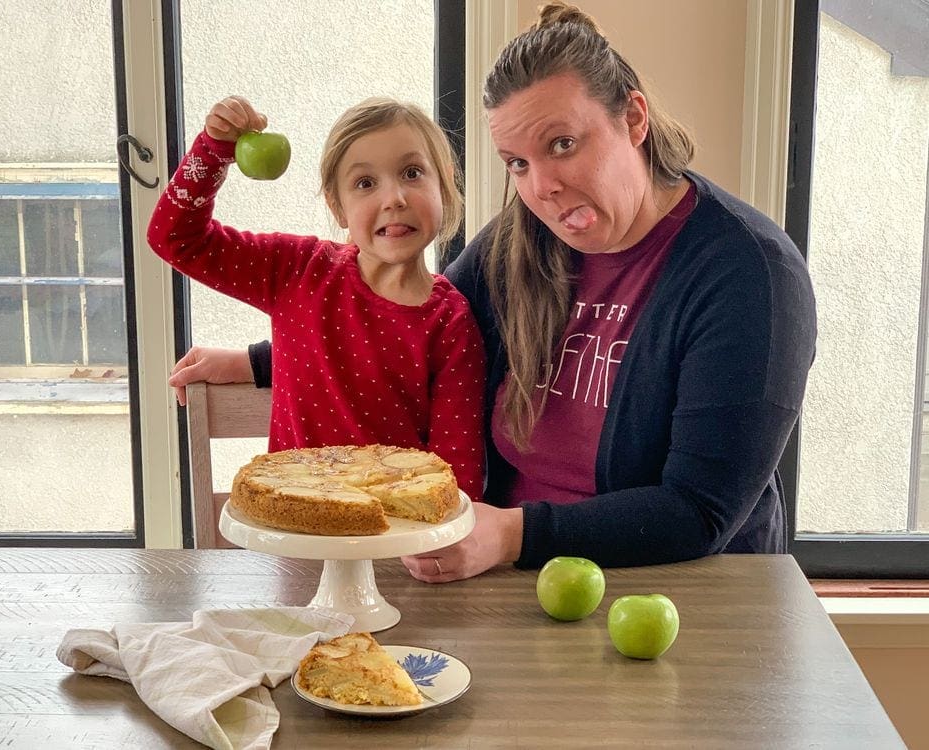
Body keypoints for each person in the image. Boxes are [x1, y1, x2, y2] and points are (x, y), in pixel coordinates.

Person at [169, 2, 817, 582]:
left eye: (563, 144)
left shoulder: (747, 276)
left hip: (681, 604)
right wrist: (261, 360)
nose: (542, 188)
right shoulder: (526, 236)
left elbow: (697, 511)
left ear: (635, 117)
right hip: (508, 592)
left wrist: (509, 533)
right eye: (518, 163)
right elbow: (404, 331)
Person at [147, 95, 486, 500]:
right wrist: (214, 150)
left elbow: (457, 478)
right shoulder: (297, 270)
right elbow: (174, 237)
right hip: (297, 544)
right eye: (365, 183)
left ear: (444, 186)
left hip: (396, 547)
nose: (394, 198)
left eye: (412, 173)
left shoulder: (451, 321)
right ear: (337, 206)